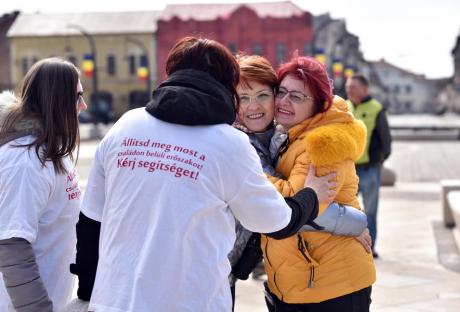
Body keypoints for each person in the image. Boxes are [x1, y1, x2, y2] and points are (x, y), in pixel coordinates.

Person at [70, 37, 339, 312]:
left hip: (114, 300)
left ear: (172, 74)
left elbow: (90, 219)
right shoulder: (229, 144)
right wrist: (312, 196)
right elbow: (275, 221)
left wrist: (88, 290)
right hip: (192, 301)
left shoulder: (126, 125)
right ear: (226, 85)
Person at [229, 54, 370, 306]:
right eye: (281, 92)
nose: (284, 102)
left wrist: (241, 171)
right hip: (294, 279)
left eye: (296, 96)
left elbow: (295, 204)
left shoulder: (322, 141)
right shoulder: (284, 135)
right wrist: (350, 222)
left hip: (329, 282)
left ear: (318, 103)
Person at [0, 58, 87, 312]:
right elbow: (11, 244)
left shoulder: (51, 150)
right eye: (77, 96)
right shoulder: (25, 162)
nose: (84, 105)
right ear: (56, 100)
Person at [345, 74, 392, 258]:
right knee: (346, 209)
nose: (349, 90)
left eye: (353, 87)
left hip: (370, 169)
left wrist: (380, 159)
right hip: (349, 169)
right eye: (348, 87)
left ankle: (369, 249)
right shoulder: (345, 107)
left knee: (370, 211)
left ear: (365, 89)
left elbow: (386, 138)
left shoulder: (376, 108)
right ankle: (348, 246)